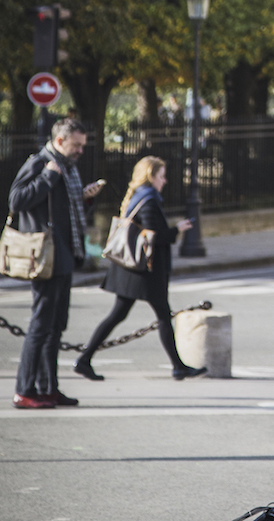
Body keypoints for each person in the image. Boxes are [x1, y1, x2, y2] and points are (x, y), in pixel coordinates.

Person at [73, 156, 205, 383]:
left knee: (118, 314)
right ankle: (178, 368)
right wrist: (177, 229)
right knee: (162, 316)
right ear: (151, 176)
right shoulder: (150, 199)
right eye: (162, 176)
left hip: (129, 268)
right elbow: (154, 235)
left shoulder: (137, 195)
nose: (164, 181)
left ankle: (84, 360)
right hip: (144, 270)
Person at [8, 117, 103, 410]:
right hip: (47, 256)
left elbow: (66, 211)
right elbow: (16, 199)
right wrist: (47, 177)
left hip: (66, 255)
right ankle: (25, 389)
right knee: (40, 325)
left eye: (82, 145)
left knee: (56, 326)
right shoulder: (41, 163)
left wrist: (85, 200)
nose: (80, 151)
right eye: (76, 145)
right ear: (60, 141)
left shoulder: (69, 167)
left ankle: (49, 388)